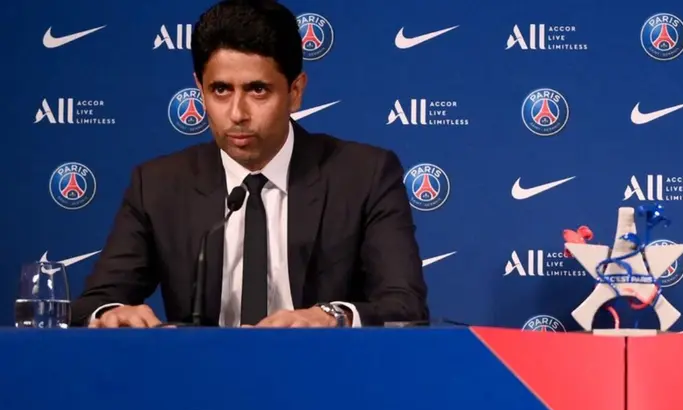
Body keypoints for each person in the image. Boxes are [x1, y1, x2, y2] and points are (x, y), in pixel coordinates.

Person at [72, 0, 429, 328]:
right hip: (201, 384)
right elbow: (94, 303)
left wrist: (331, 316)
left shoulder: (364, 175)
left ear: (295, 92)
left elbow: (406, 306)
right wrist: (111, 314)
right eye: (221, 90)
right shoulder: (159, 185)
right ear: (200, 87)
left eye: (258, 90)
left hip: (324, 377)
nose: (237, 114)